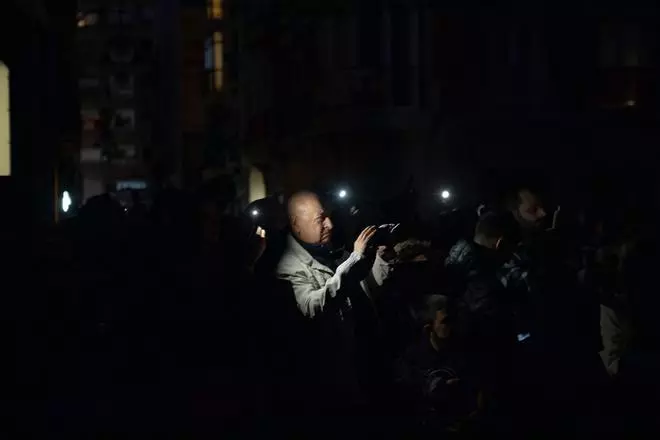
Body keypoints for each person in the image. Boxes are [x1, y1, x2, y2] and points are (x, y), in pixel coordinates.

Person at [275, 191, 391, 430]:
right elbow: (313, 307)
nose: (330, 224)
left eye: (328, 216)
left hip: (360, 366)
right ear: (296, 224)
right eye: (320, 219)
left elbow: (363, 292)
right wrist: (354, 260)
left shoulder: (329, 253)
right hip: (328, 382)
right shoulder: (288, 265)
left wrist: (379, 261)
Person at [395, 295, 482, 435]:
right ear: (429, 327)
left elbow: (480, 386)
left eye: (452, 320)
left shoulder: (463, 349)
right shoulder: (413, 358)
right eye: (445, 321)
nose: (451, 326)